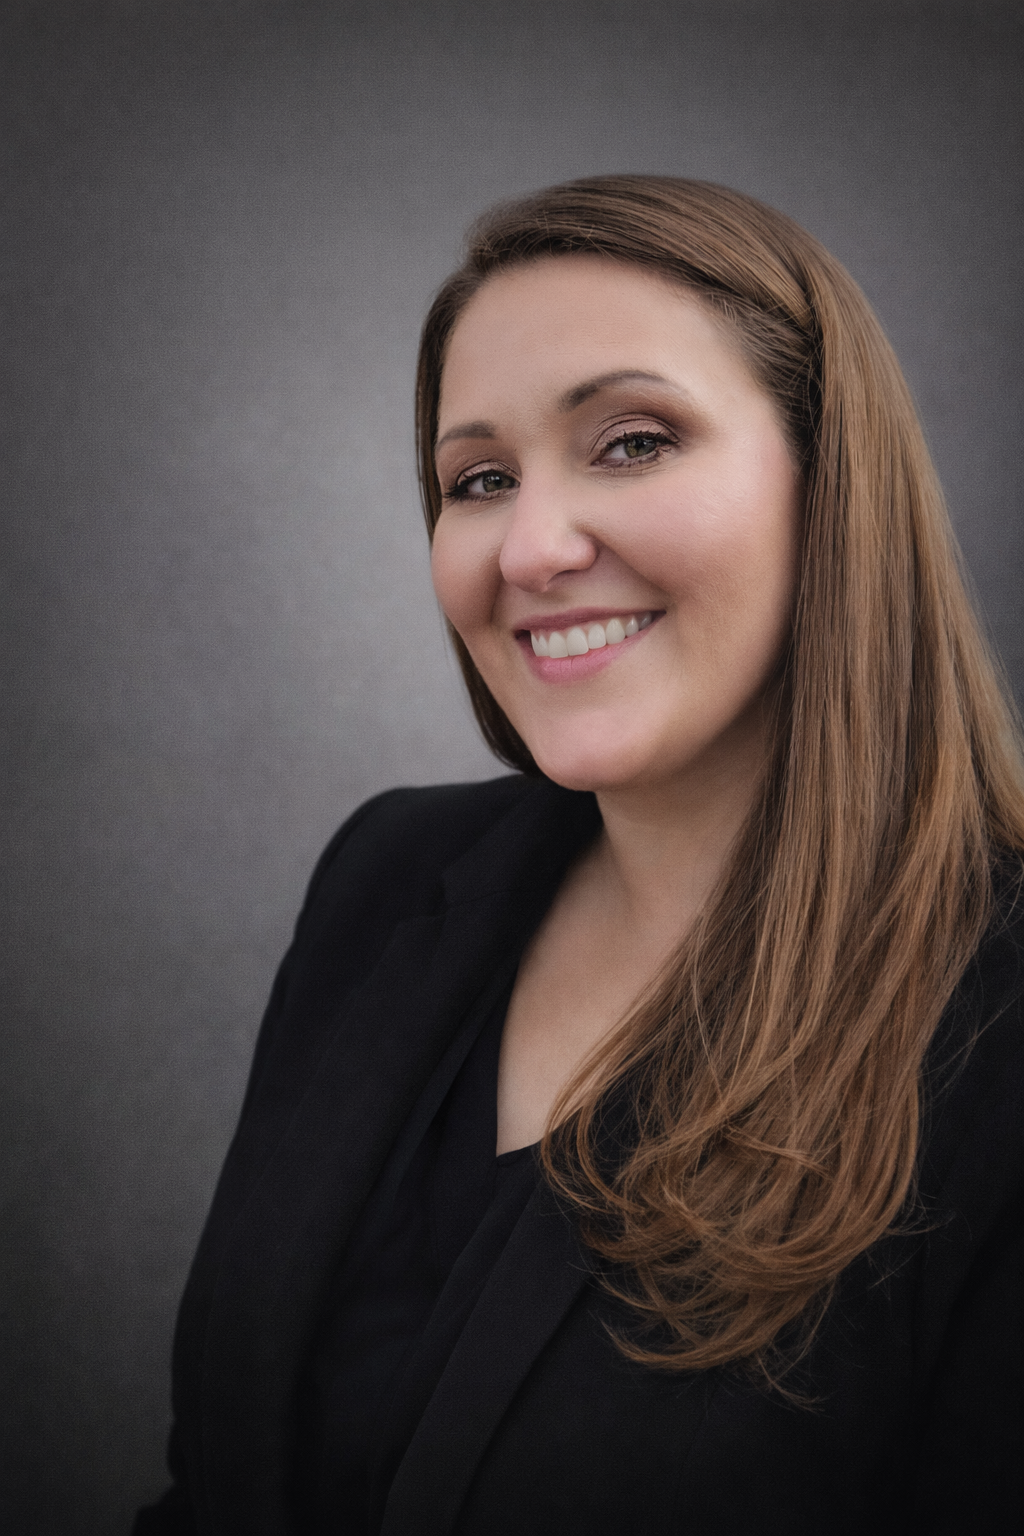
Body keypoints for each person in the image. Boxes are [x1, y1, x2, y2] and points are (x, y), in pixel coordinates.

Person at [135, 177, 1024, 1536]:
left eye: (632, 443)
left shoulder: (999, 1017)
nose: (534, 548)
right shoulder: (384, 878)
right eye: (479, 480)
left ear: (833, 477)